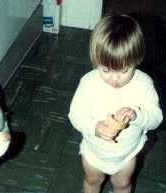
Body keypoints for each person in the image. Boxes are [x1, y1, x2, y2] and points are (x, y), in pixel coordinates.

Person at [68, 14, 163, 193]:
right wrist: (94, 127)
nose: (115, 79)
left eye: (124, 70)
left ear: (137, 59)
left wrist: (137, 115)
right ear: (96, 60)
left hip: (127, 154)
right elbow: (75, 114)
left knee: (123, 185)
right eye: (106, 70)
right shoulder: (89, 82)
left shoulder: (144, 84)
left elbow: (156, 118)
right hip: (94, 152)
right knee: (92, 182)